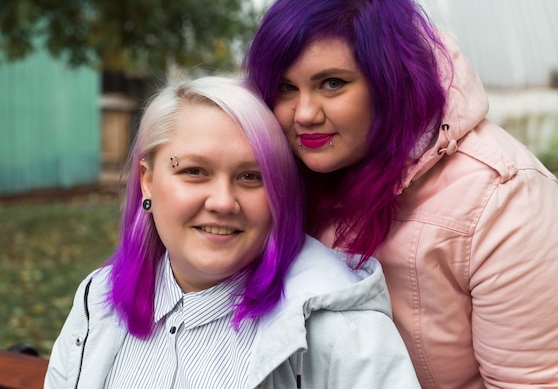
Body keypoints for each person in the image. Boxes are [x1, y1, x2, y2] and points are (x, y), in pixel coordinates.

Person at [243, 0, 558, 388]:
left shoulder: (504, 198)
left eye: (332, 83)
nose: (304, 114)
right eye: (284, 87)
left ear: (390, 80)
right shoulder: (280, 176)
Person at [43, 76, 421, 388]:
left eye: (250, 177)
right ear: (147, 181)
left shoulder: (338, 331)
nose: (223, 202)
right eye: (194, 171)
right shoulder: (99, 301)